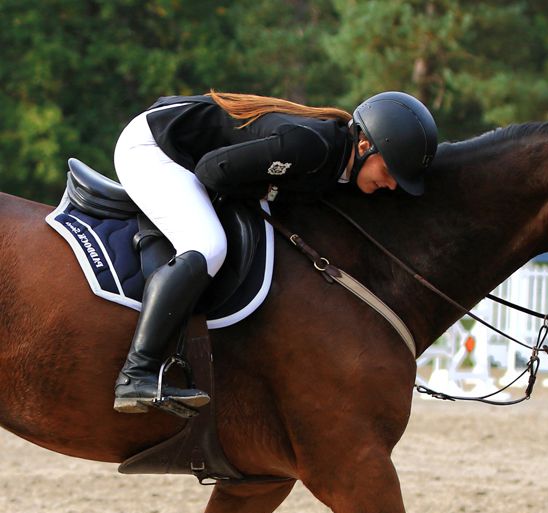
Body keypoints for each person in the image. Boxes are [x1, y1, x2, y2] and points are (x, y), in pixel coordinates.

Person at [111, 90, 438, 414]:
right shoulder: (312, 147)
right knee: (208, 246)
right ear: (365, 145)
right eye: (389, 171)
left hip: (181, 142)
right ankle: (136, 373)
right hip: (155, 147)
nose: (392, 184)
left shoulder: (337, 157)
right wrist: (271, 190)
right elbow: (211, 171)